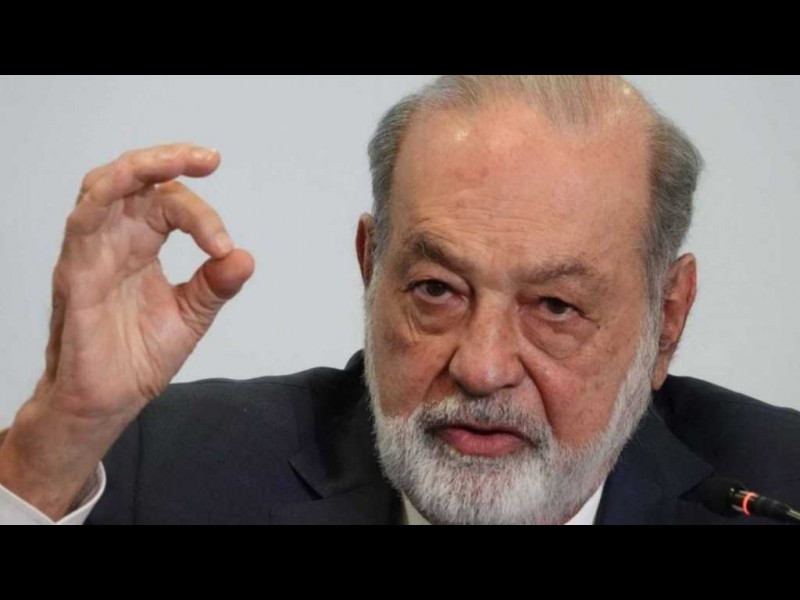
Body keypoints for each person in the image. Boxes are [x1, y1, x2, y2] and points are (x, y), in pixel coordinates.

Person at [1, 75, 799, 525]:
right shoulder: (168, 465)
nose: (482, 368)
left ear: (668, 319)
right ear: (370, 269)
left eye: (555, 307)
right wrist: (54, 445)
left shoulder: (778, 483)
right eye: (437, 290)